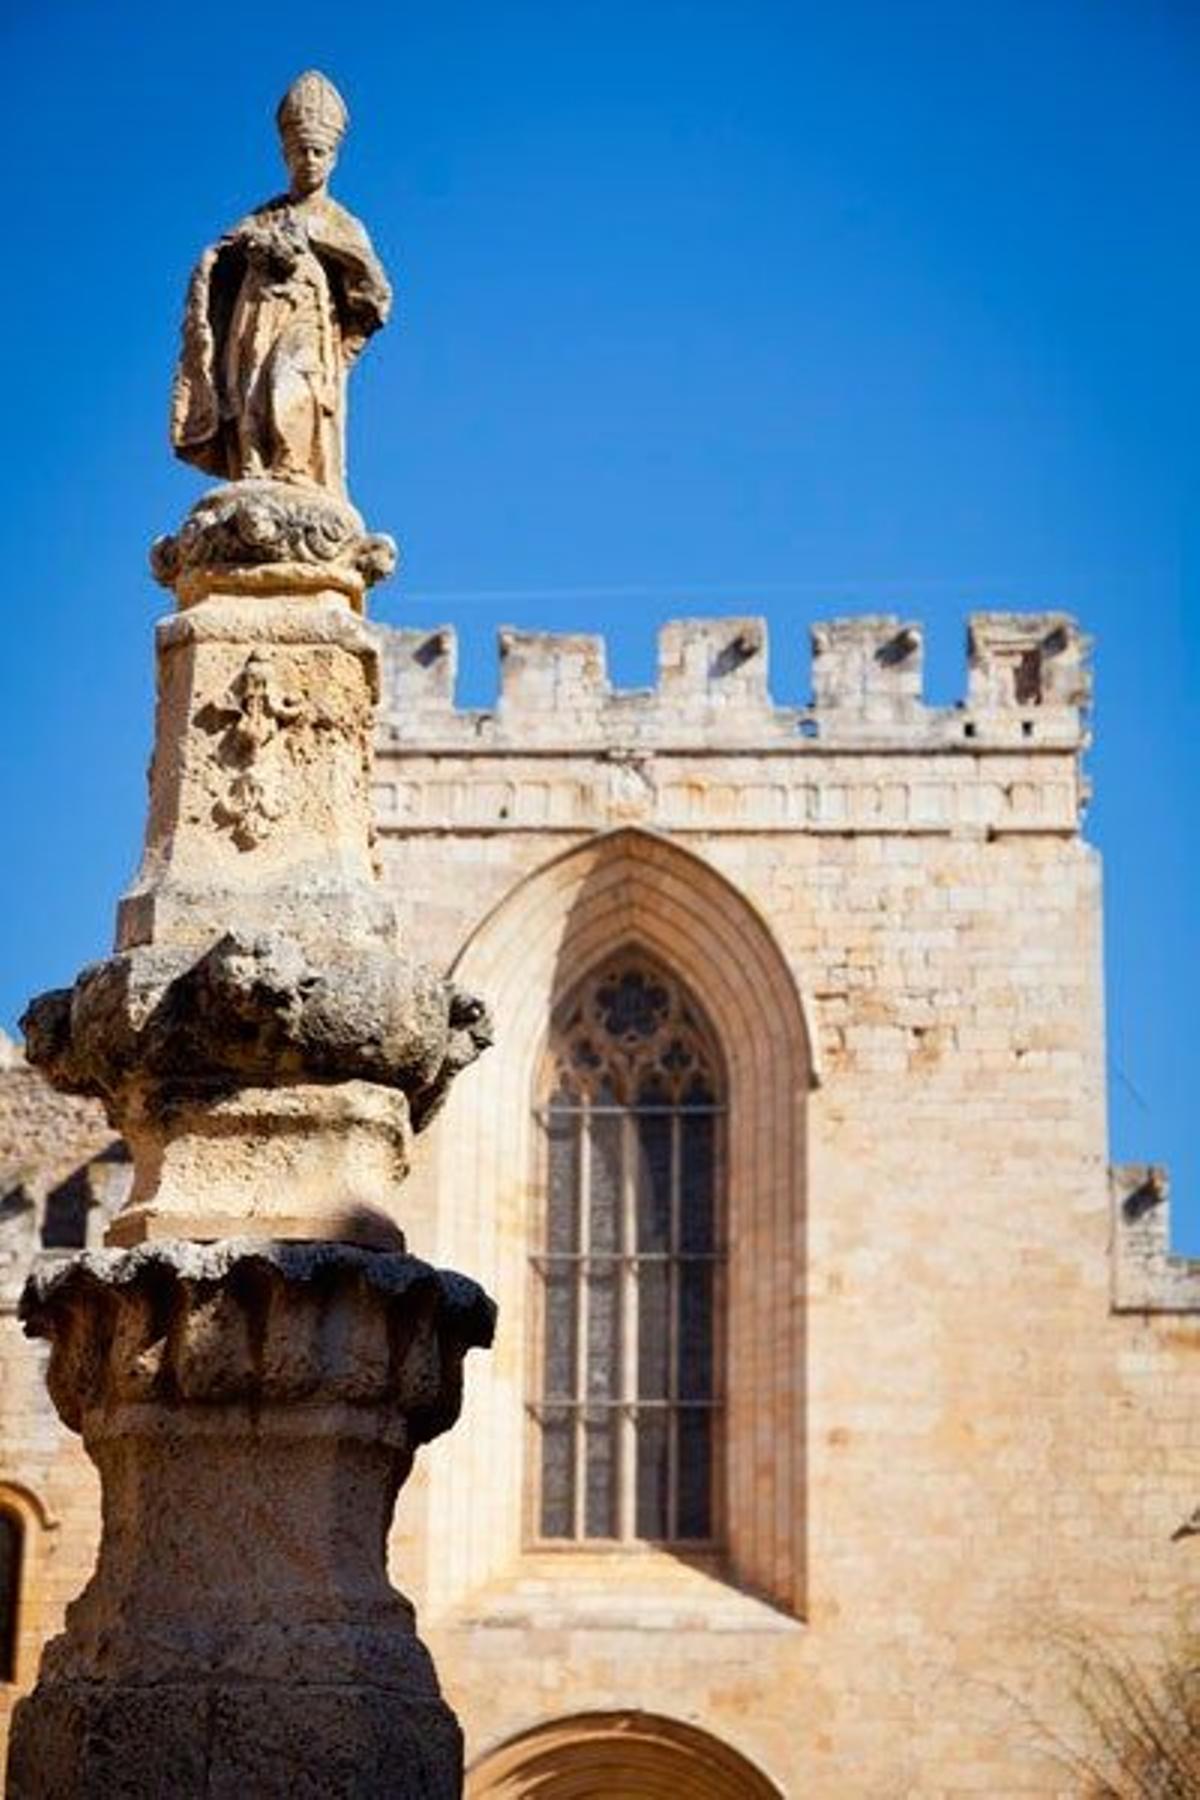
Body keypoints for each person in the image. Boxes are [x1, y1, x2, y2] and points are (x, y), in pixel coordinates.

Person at [170, 70, 391, 498]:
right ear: (285, 155)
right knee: (250, 391)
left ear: (333, 159)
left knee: (291, 381)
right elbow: (219, 257)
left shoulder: (340, 223)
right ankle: (253, 463)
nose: (309, 159)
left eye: (318, 151)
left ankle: (294, 465)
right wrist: (240, 250)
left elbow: (373, 290)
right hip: (255, 318)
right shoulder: (262, 216)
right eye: (300, 152)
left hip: (308, 318)